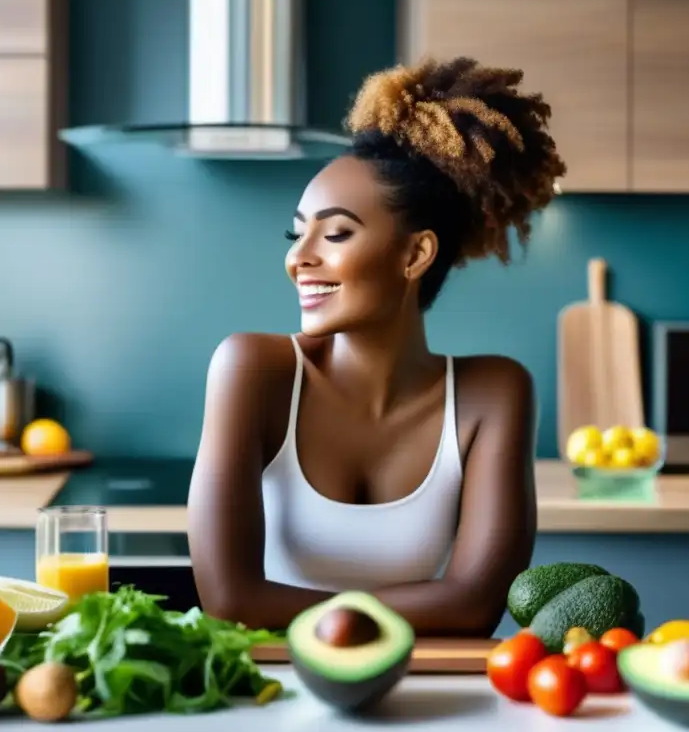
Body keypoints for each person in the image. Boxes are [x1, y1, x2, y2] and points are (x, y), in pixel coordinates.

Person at [187, 56, 566, 636]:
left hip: (421, 693)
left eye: (335, 233)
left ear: (415, 255)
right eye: (298, 232)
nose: (298, 257)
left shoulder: (493, 394)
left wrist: (301, 615)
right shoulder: (253, 369)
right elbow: (229, 599)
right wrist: (417, 609)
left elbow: (475, 607)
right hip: (272, 689)